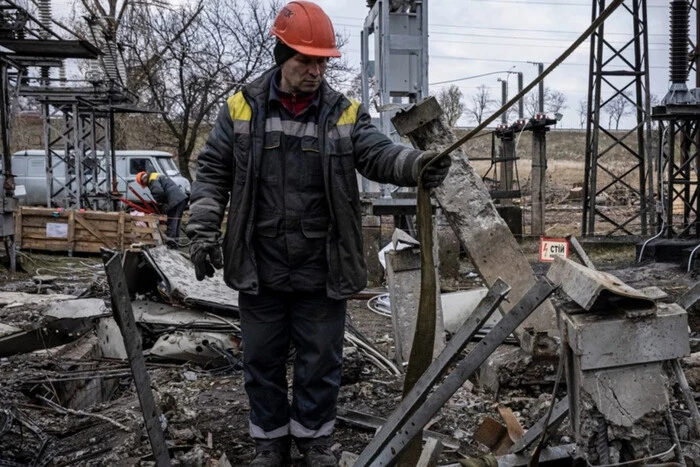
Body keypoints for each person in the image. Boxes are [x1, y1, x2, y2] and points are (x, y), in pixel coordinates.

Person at [185, 1, 451, 465]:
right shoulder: (240, 107)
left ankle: (312, 443)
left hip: (321, 264)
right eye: (305, 60)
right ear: (280, 56)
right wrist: (202, 229)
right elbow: (212, 171)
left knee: (320, 364)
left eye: (321, 61)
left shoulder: (343, 113)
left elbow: (378, 154)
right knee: (262, 363)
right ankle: (270, 444)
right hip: (260, 263)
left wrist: (415, 164)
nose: (314, 70)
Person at [136, 171, 189, 248]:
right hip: (181, 198)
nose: (146, 185)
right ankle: (176, 242)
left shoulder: (152, 180)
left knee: (172, 221)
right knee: (177, 221)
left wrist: (162, 203)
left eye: (144, 184)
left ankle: (171, 244)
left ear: (143, 179)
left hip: (174, 200)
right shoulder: (155, 175)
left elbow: (158, 192)